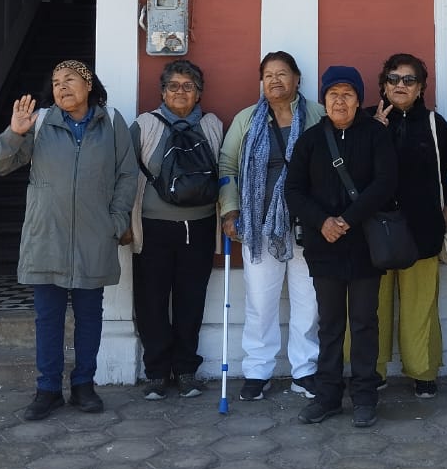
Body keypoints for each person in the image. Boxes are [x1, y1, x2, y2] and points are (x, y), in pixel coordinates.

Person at [0, 60, 138, 422]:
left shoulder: (111, 121)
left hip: (93, 236)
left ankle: (84, 385)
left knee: (89, 316)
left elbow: (127, 175)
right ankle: (48, 389)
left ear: (89, 85)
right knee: (48, 317)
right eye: (56, 81)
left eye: (70, 79)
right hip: (47, 236)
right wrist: (14, 133)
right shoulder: (39, 122)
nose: (61, 86)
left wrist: (115, 221)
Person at [285, 66, 398, 427]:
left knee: (364, 322)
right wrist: (323, 222)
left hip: (365, 246)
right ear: (324, 100)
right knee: (329, 324)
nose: (340, 101)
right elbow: (293, 190)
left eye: (347, 94)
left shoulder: (376, 136)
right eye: (333, 94)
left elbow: (385, 184)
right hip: (324, 247)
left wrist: (347, 220)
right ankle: (328, 397)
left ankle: (365, 397)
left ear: (359, 100)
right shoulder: (310, 140)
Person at [219, 51, 323, 401]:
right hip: (258, 224)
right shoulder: (247, 119)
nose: (275, 80)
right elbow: (227, 165)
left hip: (308, 225)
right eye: (268, 75)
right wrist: (230, 210)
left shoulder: (317, 115)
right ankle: (257, 371)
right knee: (260, 302)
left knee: (308, 301)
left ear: (297, 79)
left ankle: (305, 371)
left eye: (282, 73)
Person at [129, 60, 226, 400]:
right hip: (152, 227)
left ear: (199, 93)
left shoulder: (212, 125)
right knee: (151, 301)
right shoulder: (145, 125)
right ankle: (156, 372)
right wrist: (123, 220)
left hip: (199, 227)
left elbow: (225, 171)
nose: (180, 92)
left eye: (188, 86)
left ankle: (186, 370)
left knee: (191, 300)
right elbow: (126, 174)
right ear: (162, 91)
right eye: (173, 86)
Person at [367, 53, 447, 398]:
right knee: (371, 305)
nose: (400, 85)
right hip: (375, 232)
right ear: (383, 85)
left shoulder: (436, 125)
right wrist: (374, 133)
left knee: (420, 306)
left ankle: (422, 371)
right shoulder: (367, 121)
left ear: (421, 88)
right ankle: (372, 370)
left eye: (409, 80)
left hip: (421, 232)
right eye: (393, 79)